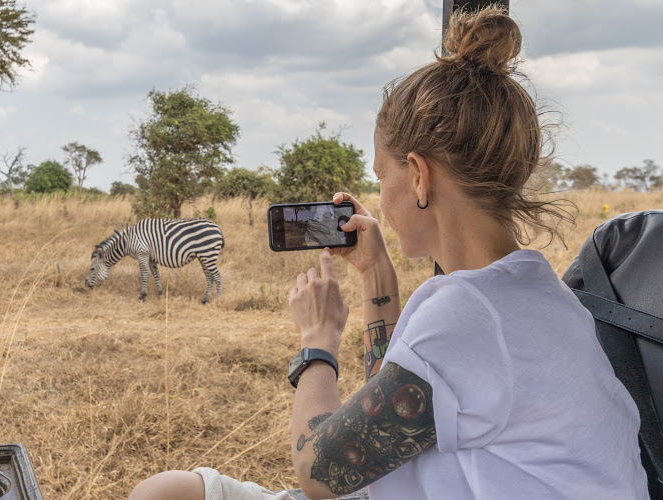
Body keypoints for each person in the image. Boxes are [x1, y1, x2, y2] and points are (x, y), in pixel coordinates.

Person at [128, 6, 649, 500]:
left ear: (419, 176)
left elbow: (320, 471)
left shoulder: (468, 314)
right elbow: (393, 423)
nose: (381, 195)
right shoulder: (529, 292)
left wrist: (317, 343)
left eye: (383, 175)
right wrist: (378, 276)